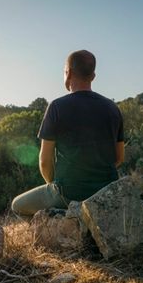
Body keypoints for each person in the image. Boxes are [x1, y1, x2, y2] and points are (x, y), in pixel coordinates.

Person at [11, 50, 124, 220]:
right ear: (93, 76)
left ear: (68, 72)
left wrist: (54, 185)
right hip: (107, 191)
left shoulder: (57, 107)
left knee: (17, 206)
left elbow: (44, 161)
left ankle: (62, 225)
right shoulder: (112, 108)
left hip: (68, 192)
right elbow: (119, 158)